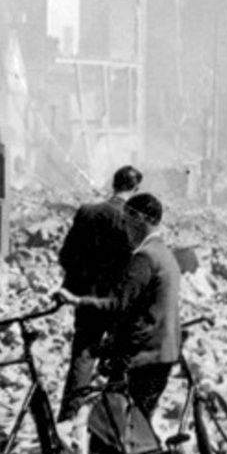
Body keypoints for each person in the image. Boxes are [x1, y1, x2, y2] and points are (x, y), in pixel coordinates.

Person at [57, 193, 181, 454]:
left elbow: (119, 306)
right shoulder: (165, 253)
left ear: (140, 220)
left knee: (105, 434)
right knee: (135, 430)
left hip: (141, 358)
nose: (124, 227)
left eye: (127, 220)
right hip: (163, 355)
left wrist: (78, 301)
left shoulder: (143, 259)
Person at [56, 165, 142, 422]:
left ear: (113, 184)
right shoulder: (132, 220)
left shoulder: (88, 212)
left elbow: (66, 256)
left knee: (82, 358)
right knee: (120, 365)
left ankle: (68, 422)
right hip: (117, 304)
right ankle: (112, 426)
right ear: (136, 189)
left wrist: (80, 284)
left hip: (87, 299)